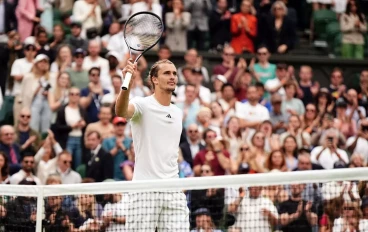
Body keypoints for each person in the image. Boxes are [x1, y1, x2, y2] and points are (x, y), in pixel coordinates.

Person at [115, 59, 190, 230]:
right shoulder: (142, 105)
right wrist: (126, 85)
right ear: (154, 79)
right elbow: (120, 111)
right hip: (144, 190)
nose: (172, 77)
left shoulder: (177, 113)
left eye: (174, 73)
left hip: (173, 189)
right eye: (167, 73)